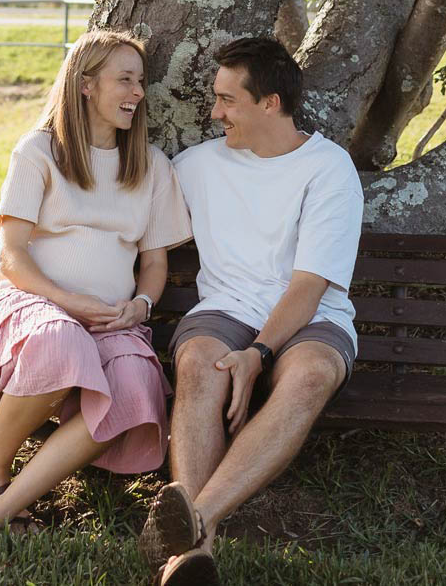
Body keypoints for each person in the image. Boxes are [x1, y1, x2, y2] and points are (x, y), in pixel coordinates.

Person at [0, 30, 192, 549]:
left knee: (138, 383)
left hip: (110, 317)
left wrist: (139, 306)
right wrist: (70, 303)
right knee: (63, 340)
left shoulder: (153, 166)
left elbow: (154, 262)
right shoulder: (39, 150)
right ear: (87, 84)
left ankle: (2, 506)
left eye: (140, 82)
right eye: (125, 80)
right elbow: (12, 256)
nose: (138, 93)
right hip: (34, 303)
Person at [137, 37, 364, 585]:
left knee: (311, 375)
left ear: (270, 103)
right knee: (198, 365)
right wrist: (29, 206)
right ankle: (194, 553)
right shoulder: (196, 165)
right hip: (226, 308)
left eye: (227, 100)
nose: (215, 113)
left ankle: (196, 524)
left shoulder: (329, 170)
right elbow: (112, 196)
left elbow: (309, 286)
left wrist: (259, 353)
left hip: (313, 318)